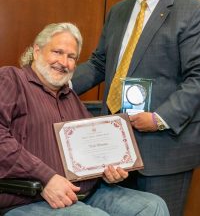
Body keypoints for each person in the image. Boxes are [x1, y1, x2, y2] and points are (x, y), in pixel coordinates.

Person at [72, 0, 200, 216]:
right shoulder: (118, 11)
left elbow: (198, 77)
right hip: (114, 146)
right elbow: (98, 64)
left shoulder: (192, 10)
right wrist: (59, 84)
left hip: (163, 148)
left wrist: (159, 118)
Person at [0, 22, 169, 216]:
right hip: (31, 196)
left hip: (87, 192)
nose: (64, 62)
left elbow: (94, 151)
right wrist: (46, 178)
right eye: (57, 52)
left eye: (71, 57)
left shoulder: (70, 97)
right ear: (37, 51)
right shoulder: (11, 79)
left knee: (152, 206)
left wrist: (110, 169)